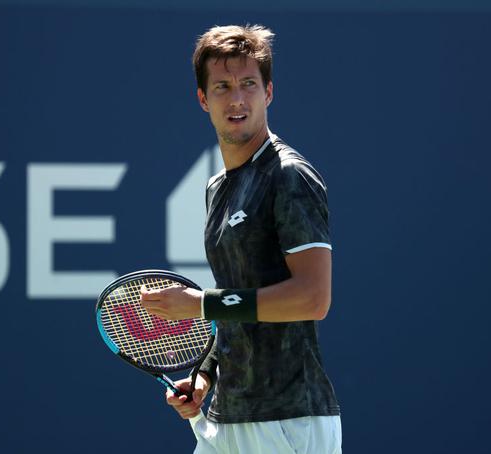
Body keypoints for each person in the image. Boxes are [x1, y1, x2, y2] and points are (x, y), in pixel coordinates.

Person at [140, 24, 341, 454]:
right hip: (226, 416)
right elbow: (244, 302)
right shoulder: (218, 188)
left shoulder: (289, 176)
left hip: (289, 421)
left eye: (249, 84)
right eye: (223, 87)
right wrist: (206, 376)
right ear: (203, 99)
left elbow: (313, 298)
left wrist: (200, 305)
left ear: (268, 93)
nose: (237, 99)